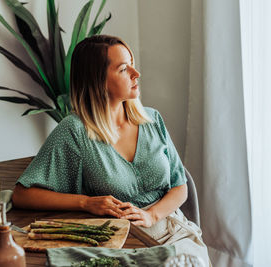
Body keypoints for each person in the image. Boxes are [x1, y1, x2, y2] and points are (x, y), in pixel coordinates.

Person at [12, 35, 209, 265]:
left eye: (132, 65)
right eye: (124, 69)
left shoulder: (152, 119)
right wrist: (86, 202)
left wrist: (151, 215)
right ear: (97, 80)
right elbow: (22, 194)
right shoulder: (74, 131)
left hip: (174, 232)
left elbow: (180, 186)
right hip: (120, 244)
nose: (136, 74)